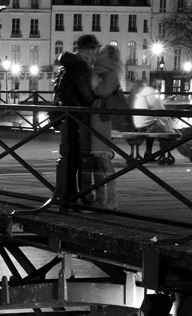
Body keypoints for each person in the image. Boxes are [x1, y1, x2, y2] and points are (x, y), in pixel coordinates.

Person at [55, 34, 100, 204]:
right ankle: (77, 196)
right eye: (96, 49)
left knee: (70, 158)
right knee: (80, 159)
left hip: (67, 118)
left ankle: (68, 195)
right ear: (89, 49)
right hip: (79, 119)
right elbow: (87, 96)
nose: (97, 53)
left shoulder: (65, 66)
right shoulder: (80, 68)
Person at [130, 80, 192, 162]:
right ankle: (189, 150)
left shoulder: (137, 99)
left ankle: (188, 150)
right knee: (172, 134)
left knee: (171, 133)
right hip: (149, 125)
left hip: (146, 125)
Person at [89, 45, 123, 210]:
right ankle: (100, 197)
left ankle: (111, 199)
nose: (99, 54)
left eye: (102, 53)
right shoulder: (103, 70)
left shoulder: (110, 73)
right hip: (96, 117)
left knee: (102, 159)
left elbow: (101, 91)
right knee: (97, 160)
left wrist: (93, 78)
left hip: (102, 119)